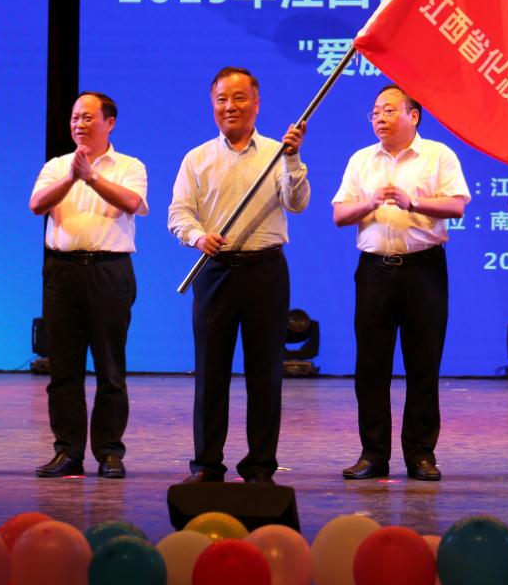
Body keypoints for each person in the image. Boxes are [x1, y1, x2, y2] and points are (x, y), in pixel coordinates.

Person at [168, 67, 309, 484]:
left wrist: (293, 158)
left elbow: (297, 202)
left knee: (265, 373)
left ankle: (260, 466)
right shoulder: (196, 158)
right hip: (215, 271)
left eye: (239, 98)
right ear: (212, 105)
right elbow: (179, 213)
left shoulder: (278, 153)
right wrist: (197, 237)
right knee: (210, 373)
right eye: (222, 99)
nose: (230, 106)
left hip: (266, 270)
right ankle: (207, 465)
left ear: (256, 103)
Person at [332, 85, 470, 481]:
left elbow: (457, 205)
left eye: (389, 110)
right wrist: (370, 202)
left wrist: (414, 202)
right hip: (375, 270)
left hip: (423, 269)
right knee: (371, 366)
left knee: (423, 364)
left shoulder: (438, 155)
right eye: (376, 111)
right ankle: (373, 454)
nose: (380, 117)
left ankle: (421, 455)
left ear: (414, 115)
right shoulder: (361, 159)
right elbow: (339, 214)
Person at [30, 92, 148, 479]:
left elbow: (132, 202)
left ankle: (109, 452)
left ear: (109, 123)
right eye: (74, 117)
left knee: (110, 368)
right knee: (63, 369)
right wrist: (71, 176)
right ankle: (68, 451)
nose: (79, 124)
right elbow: (37, 204)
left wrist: (92, 177)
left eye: (87, 117)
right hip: (61, 272)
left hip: (108, 271)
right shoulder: (56, 166)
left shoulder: (129, 165)